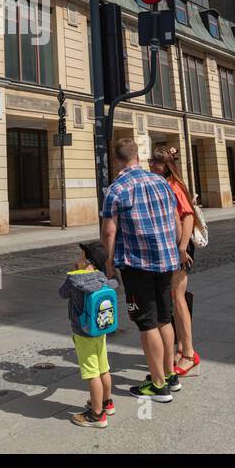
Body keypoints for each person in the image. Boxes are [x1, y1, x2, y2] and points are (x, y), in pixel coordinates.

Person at [101, 138, 181, 402]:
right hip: (166, 260)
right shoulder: (161, 182)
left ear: (117, 159)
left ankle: (158, 385)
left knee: (146, 323)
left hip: (137, 264)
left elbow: (110, 230)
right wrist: (175, 248)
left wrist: (108, 263)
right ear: (137, 156)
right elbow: (175, 220)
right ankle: (169, 374)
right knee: (164, 319)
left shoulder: (116, 188)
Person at [148, 144, 201, 377]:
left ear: (166, 166)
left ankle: (188, 353)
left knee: (178, 298)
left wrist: (181, 248)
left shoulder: (174, 186)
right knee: (173, 296)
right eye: (150, 161)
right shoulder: (164, 184)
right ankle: (182, 347)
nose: (151, 165)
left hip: (181, 248)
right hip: (172, 248)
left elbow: (188, 216)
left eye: (155, 162)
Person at [61, 240, 115, 429]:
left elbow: (62, 293)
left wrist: (73, 272)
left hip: (83, 332)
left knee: (92, 373)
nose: (78, 258)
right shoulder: (101, 277)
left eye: (81, 256)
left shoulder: (75, 279)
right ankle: (107, 403)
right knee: (103, 368)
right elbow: (114, 284)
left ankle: (96, 414)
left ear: (86, 260)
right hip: (100, 330)